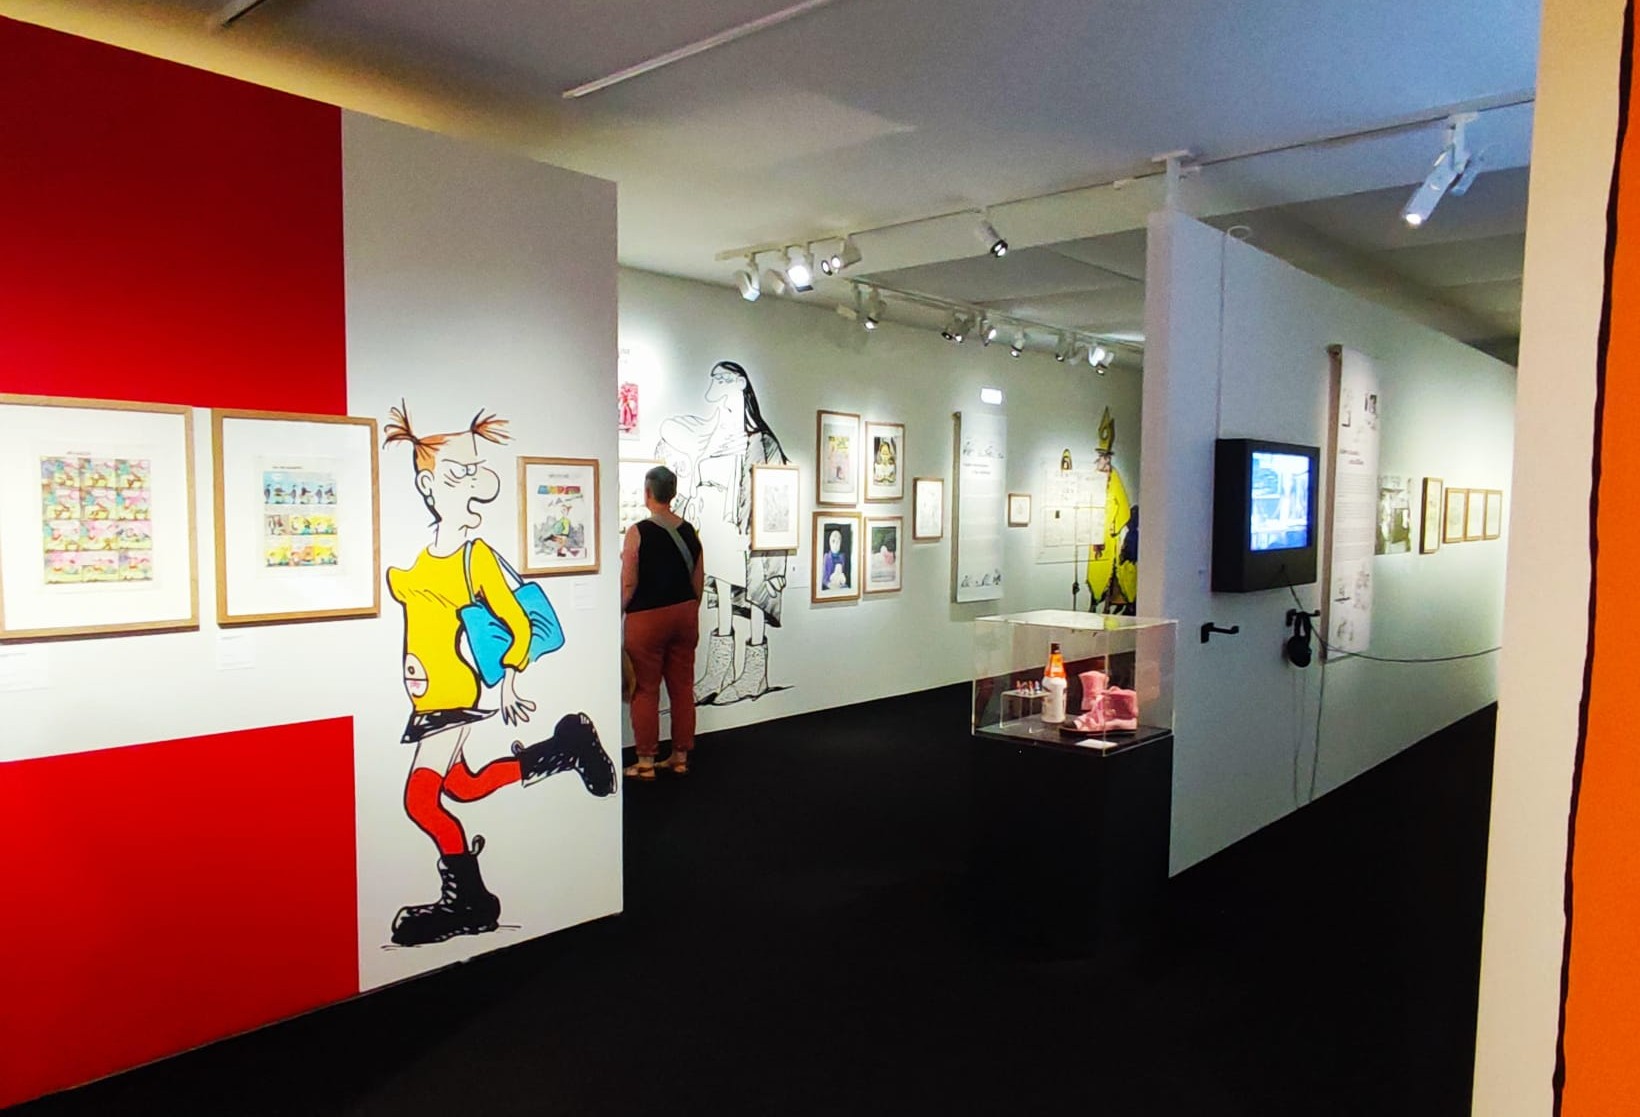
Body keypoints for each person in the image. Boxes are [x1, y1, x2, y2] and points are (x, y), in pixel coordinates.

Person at [381, 404, 615, 947]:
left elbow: (518, 624)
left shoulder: (476, 557)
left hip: (453, 696)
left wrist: (508, 681)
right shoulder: (422, 562)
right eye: (456, 473)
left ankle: (469, 903)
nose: (473, 483)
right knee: (461, 787)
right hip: (428, 700)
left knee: (421, 801)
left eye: (474, 471)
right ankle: (565, 748)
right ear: (427, 484)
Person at [621, 465, 705, 780]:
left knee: (645, 689)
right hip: (685, 614)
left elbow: (629, 582)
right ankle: (680, 757)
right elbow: (698, 580)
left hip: (647, 619)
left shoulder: (638, 532)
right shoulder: (690, 531)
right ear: (672, 493)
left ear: (647, 493)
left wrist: (618, 611)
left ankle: (645, 761)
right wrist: (689, 609)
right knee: (682, 687)